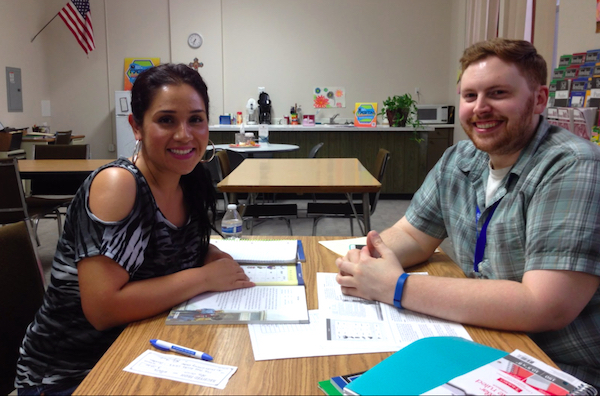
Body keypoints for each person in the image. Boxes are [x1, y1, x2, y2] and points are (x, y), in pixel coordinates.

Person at [336, 38, 600, 389]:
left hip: (555, 364)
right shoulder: (459, 158)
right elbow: (415, 234)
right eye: (470, 96)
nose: (480, 108)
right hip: (480, 336)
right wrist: (369, 258)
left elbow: (544, 305)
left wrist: (396, 286)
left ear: (538, 99)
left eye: (498, 93)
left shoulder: (573, 166)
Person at [15, 63, 254, 395]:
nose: (185, 134)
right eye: (166, 120)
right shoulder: (118, 184)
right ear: (137, 126)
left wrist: (215, 257)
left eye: (196, 119)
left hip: (144, 347)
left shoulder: (190, 178)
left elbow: (182, 248)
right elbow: (102, 309)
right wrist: (204, 278)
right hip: (75, 372)